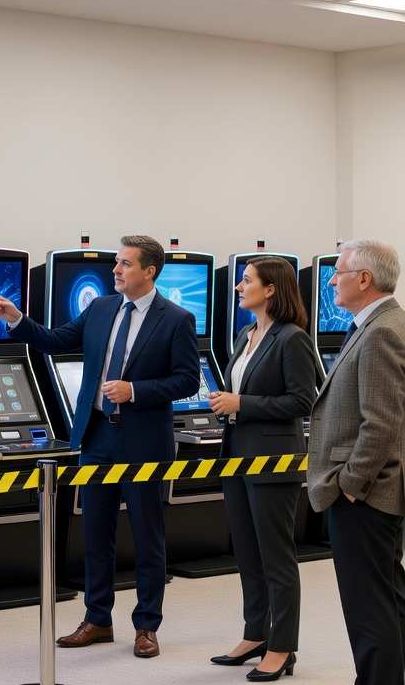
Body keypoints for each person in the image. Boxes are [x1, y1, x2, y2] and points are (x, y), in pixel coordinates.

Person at [0, 234, 198, 658]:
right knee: (95, 533)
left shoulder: (176, 318)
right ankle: (97, 619)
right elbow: (56, 342)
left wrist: (135, 390)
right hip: (97, 435)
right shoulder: (100, 308)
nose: (115, 271)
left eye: (125, 264)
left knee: (147, 536)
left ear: (149, 271)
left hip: (144, 441)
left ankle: (146, 626)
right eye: (116, 263)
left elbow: (187, 380)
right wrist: (17, 320)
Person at [207, 256, 315, 681]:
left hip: (274, 461)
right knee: (248, 554)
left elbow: (303, 401)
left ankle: (283, 646)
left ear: (270, 289)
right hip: (235, 456)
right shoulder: (245, 334)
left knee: (276, 558)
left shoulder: (293, 339)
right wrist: (226, 404)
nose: (238, 287)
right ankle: (256, 634)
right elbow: (242, 390)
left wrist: (242, 404)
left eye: (246, 281)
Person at [306, 239, 405, 685]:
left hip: (365, 495)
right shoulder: (377, 324)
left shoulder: (383, 330)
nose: (330, 280)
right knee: (389, 599)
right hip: (370, 491)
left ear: (364, 279)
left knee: (369, 612)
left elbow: (380, 423)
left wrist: (350, 483)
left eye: (338, 272)